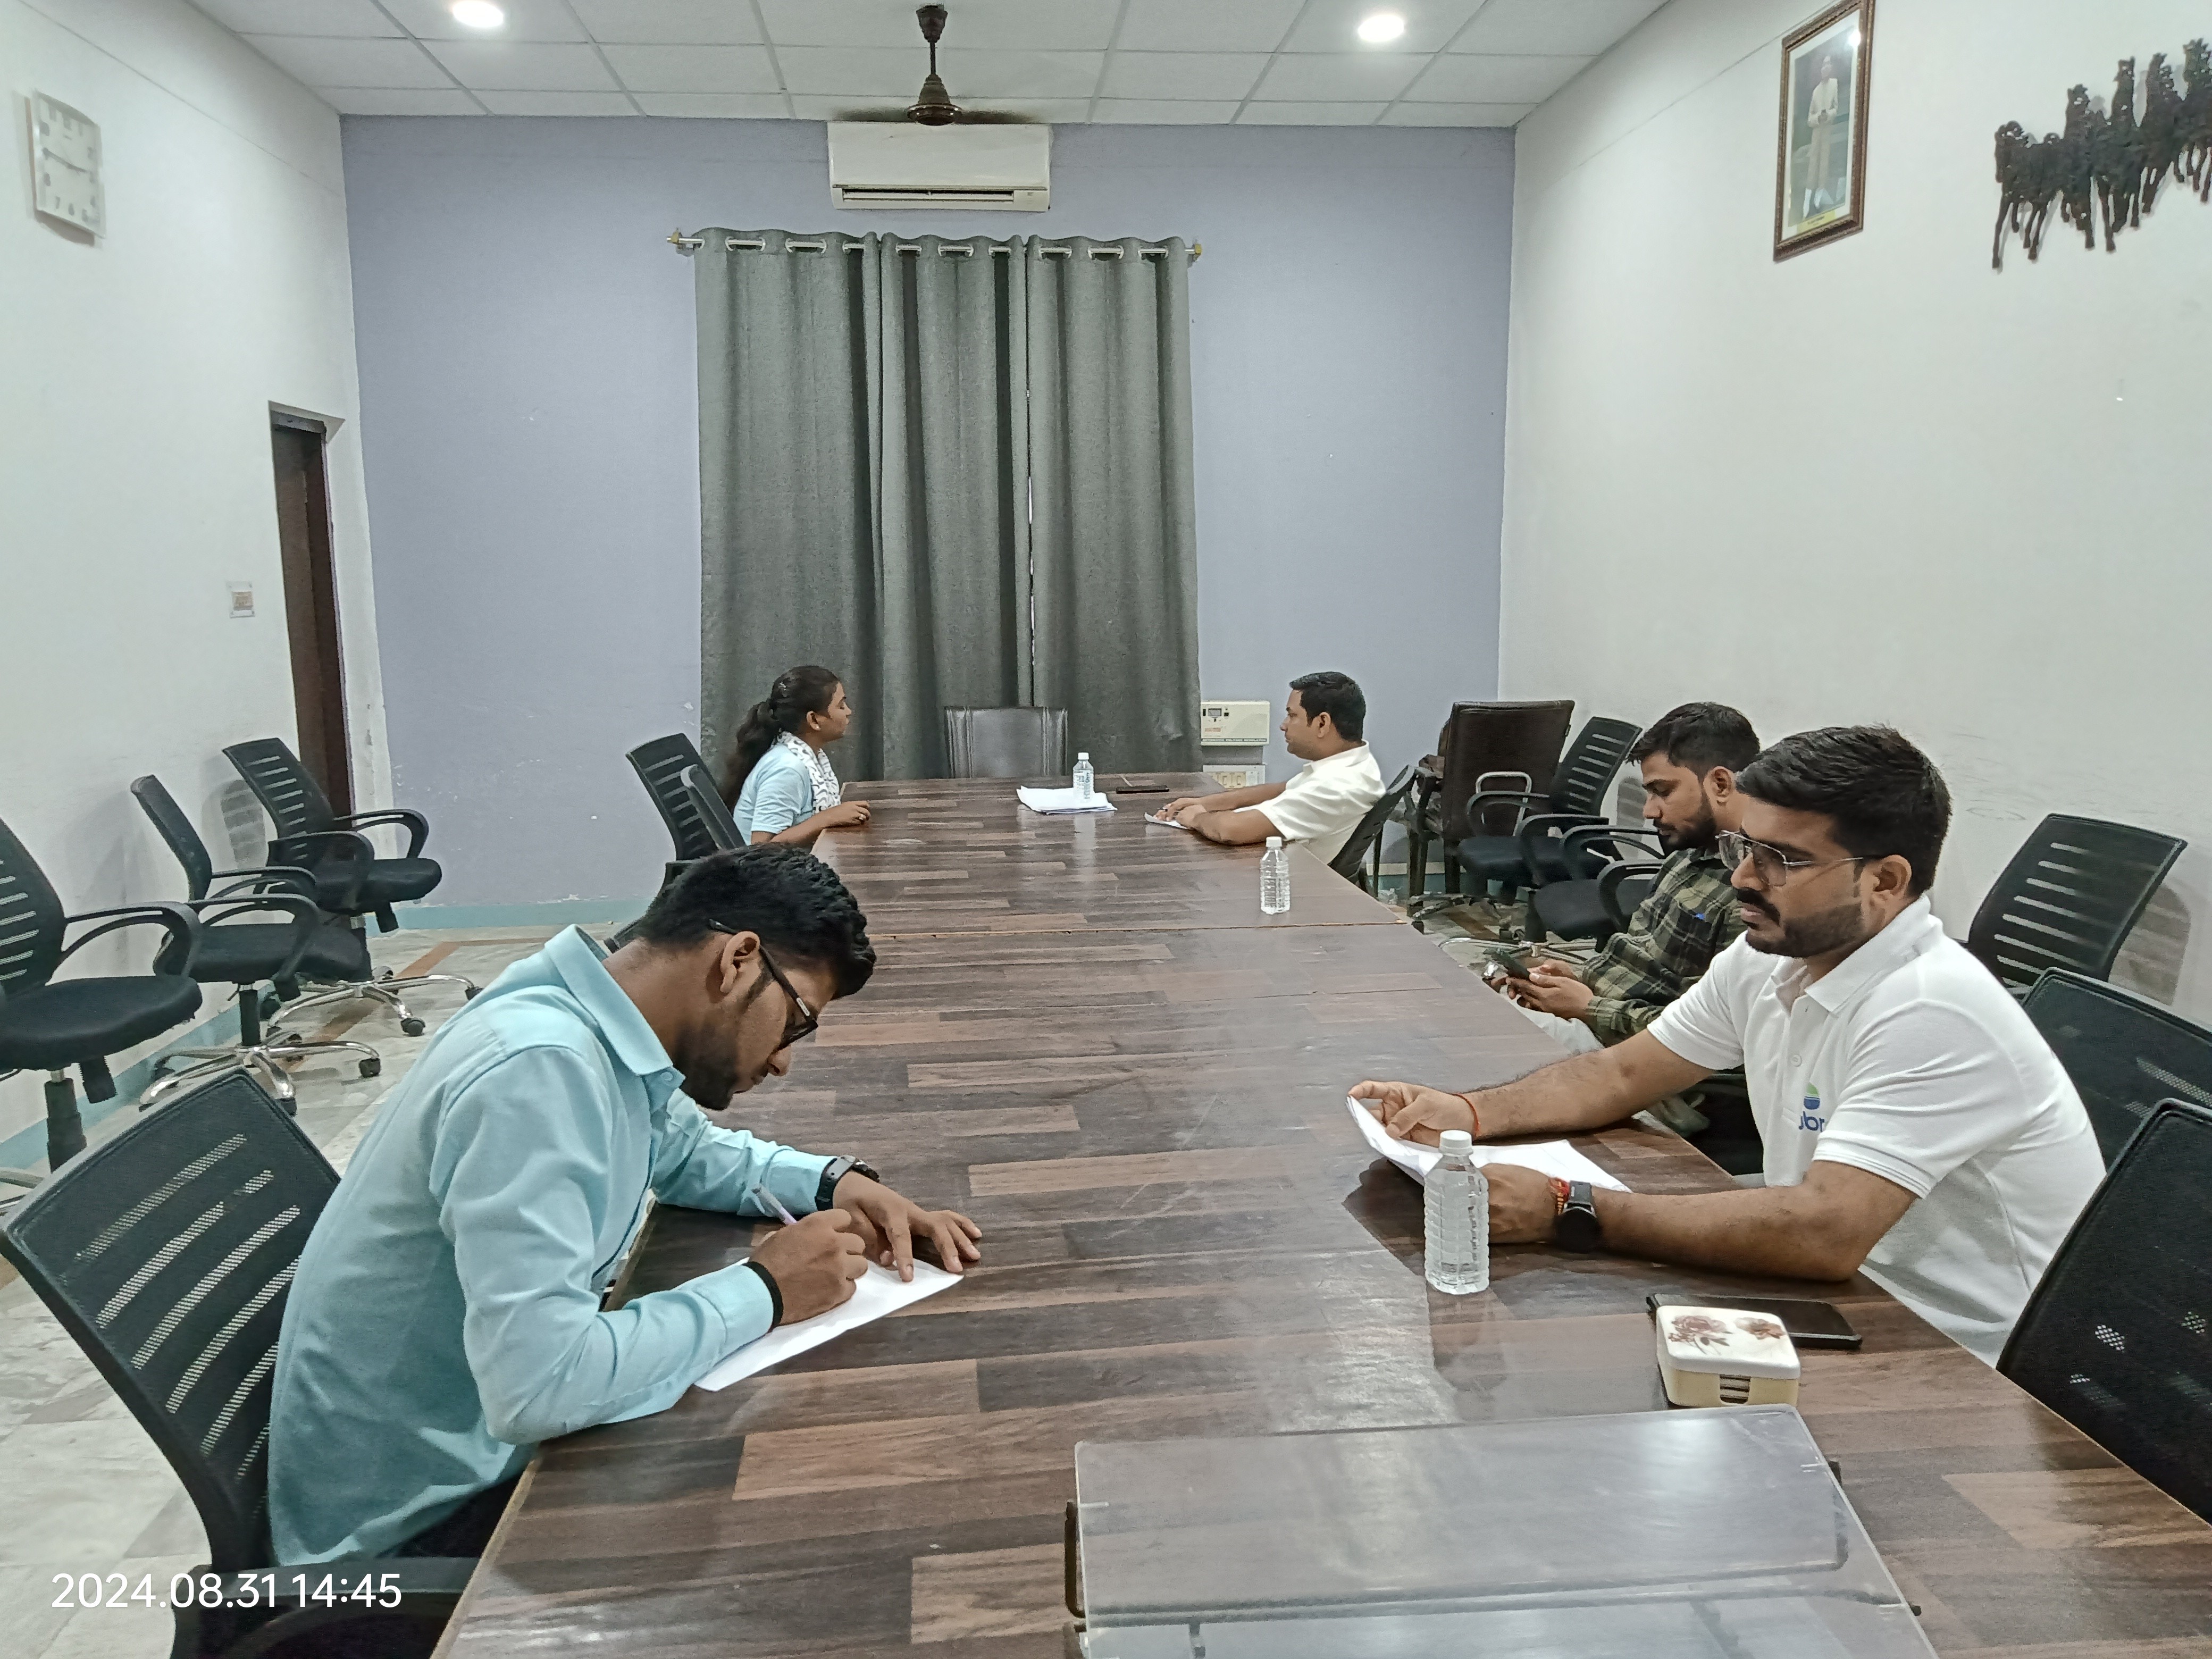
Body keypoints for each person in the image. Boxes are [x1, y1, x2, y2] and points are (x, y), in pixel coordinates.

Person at [269, 848, 982, 1564]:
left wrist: (835, 1181)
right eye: (796, 1021)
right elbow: (541, 1386)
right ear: (737, 959)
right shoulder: (539, 1070)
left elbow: (684, 1151)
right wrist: (766, 1289)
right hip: (410, 1529)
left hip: (467, 1447)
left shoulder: (585, 1015)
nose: (784, 1060)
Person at [1354, 726, 2102, 1365]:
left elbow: (1823, 1231)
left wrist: (1569, 1209)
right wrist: (1464, 1115)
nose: (1744, 876)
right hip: (1838, 1303)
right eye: (1747, 845)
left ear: (1886, 880)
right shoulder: (1770, 955)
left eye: (1784, 859)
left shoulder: (1930, 1010)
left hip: (1963, 1360)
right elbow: (1620, 1073)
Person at [1498, 702, 1759, 1057]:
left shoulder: (1752, 895)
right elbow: (1643, 961)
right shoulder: (1687, 855)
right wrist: (1580, 978)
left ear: (1721, 783)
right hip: (1600, 1018)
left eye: (1663, 791)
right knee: (1476, 1001)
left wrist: (1588, 1007)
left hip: (1627, 1053)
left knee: (1477, 1035)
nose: (1649, 810)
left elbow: (1705, 1034)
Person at [1158, 672, 1384, 863]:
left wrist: (1196, 817)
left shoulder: (1337, 786)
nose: (1283, 725)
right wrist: (1205, 803)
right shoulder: (1351, 764)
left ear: (1322, 723)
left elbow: (1230, 830)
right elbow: (1282, 789)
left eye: (1292, 715)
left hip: (1291, 892)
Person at [720, 665, 872, 845]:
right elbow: (761, 848)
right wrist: (827, 818)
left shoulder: (804, 755)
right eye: (841, 706)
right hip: (759, 872)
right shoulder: (787, 769)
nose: (849, 712)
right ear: (814, 720)